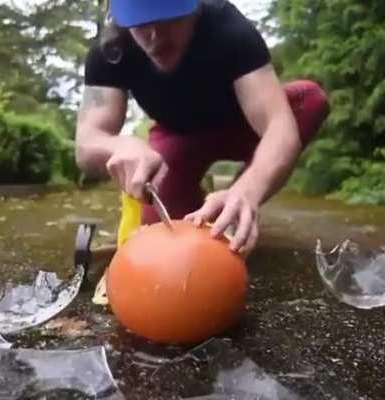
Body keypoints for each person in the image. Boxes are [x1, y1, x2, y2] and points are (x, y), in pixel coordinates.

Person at [75, 0, 330, 257]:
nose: (154, 37)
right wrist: (121, 144)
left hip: (244, 128)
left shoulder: (228, 27)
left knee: (310, 99)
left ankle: (235, 198)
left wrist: (248, 190)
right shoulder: (110, 50)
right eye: (138, 21)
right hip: (178, 140)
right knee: (166, 242)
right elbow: (87, 143)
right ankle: (202, 205)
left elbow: (279, 126)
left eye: (169, 17)